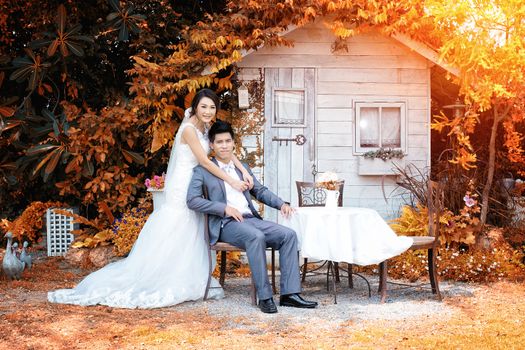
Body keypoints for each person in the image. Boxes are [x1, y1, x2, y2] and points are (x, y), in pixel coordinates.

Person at [48, 89, 255, 308]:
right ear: (195, 106)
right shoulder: (189, 130)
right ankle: (164, 277)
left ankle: (187, 276)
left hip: (196, 183)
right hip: (183, 184)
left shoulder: (206, 127)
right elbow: (204, 161)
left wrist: (244, 171)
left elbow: (224, 151)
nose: (208, 111)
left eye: (212, 107)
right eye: (204, 106)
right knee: (178, 228)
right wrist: (232, 181)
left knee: (193, 231)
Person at [186, 120, 318, 314]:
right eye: (219, 142)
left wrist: (281, 203)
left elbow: (260, 191)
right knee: (255, 237)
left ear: (233, 143)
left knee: (288, 235)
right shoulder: (202, 171)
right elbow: (192, 200)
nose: (224, 145)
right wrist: (223, 209)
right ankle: (264, 297)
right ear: (212, 145)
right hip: (226, 224)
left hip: (251, 219)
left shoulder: (242, 168)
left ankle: (290, 295)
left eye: (228, 141)